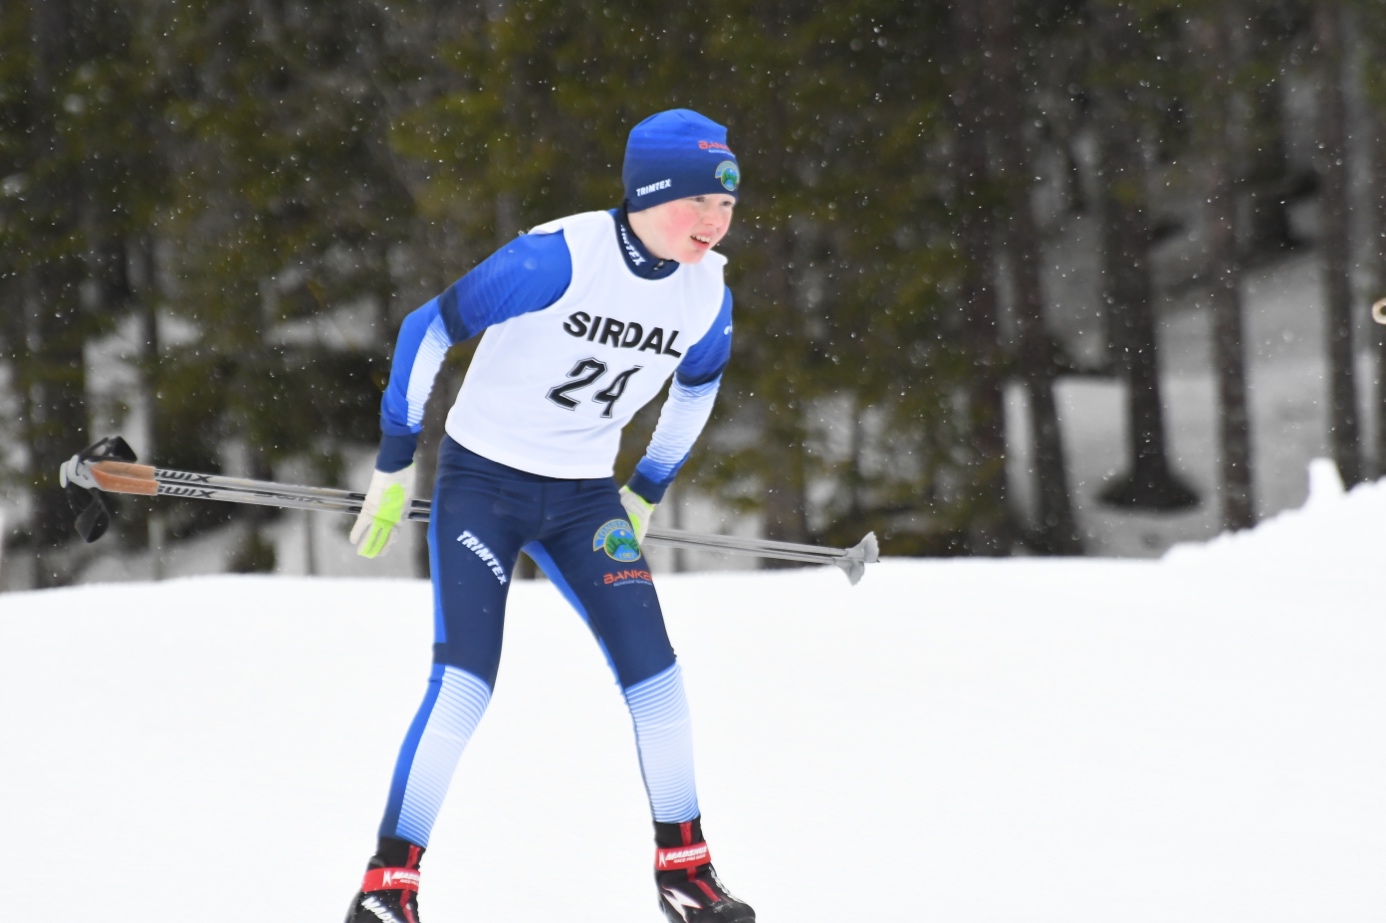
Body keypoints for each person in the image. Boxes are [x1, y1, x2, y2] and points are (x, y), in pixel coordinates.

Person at [344, 109, 754, 923]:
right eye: (698, 203)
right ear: (650, 193)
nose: (714, 223)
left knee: (659, 678)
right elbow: (429, 328)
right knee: (464, 682)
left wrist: (648, 485)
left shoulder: (707, 294)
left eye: (729, 206)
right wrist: (395, 458)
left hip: (583, 498)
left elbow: (695, 390)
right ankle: (386, 887)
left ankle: (686, 871)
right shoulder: (557, 257)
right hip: (481, 486)